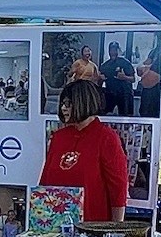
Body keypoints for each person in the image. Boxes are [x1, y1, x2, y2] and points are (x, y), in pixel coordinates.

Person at [41, 79, 129, 224]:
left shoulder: (106, 137)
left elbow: (118, 187)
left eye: (68, 104)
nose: (63, 108)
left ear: (83, 102)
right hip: (55, 225)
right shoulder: (59, 137)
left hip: (93, 227)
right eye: (63, 103)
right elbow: (45, 181)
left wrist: (115, 228)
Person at [100, 41, 135, 116]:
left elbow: (133, 79)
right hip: (110, 94)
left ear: (118, 51)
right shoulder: (104, 66)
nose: (113, 52)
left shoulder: (125, 62)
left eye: (115, 50)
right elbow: (100, 82)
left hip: (124, 94)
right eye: (111, 50)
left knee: (126, 116)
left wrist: (124, 77)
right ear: (109, 51)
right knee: (105, 114)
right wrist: (100, 79)